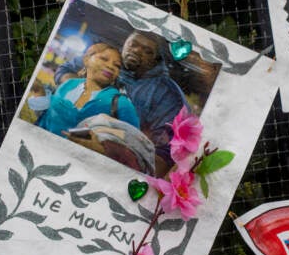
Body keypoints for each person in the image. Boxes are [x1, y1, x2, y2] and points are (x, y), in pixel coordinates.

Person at [56, 30, 187, 176]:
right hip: (74, 129)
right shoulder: (108, 58)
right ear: (125, 43)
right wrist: (81, 90)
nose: (137, 50)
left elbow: (164, 153)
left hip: (115, 157)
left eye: (147, 51)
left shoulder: (165, 93)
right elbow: (65, 69)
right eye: (133, 44)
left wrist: (115, 155)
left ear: (156, 60)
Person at [38, 43, 140, 138]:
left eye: (117, 65)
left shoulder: (121, 103)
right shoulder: (68, 85)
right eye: (104, 59)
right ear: (87, 59)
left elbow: (135, 139)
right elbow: (46, 116)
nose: (110, 66)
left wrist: (101, 144)